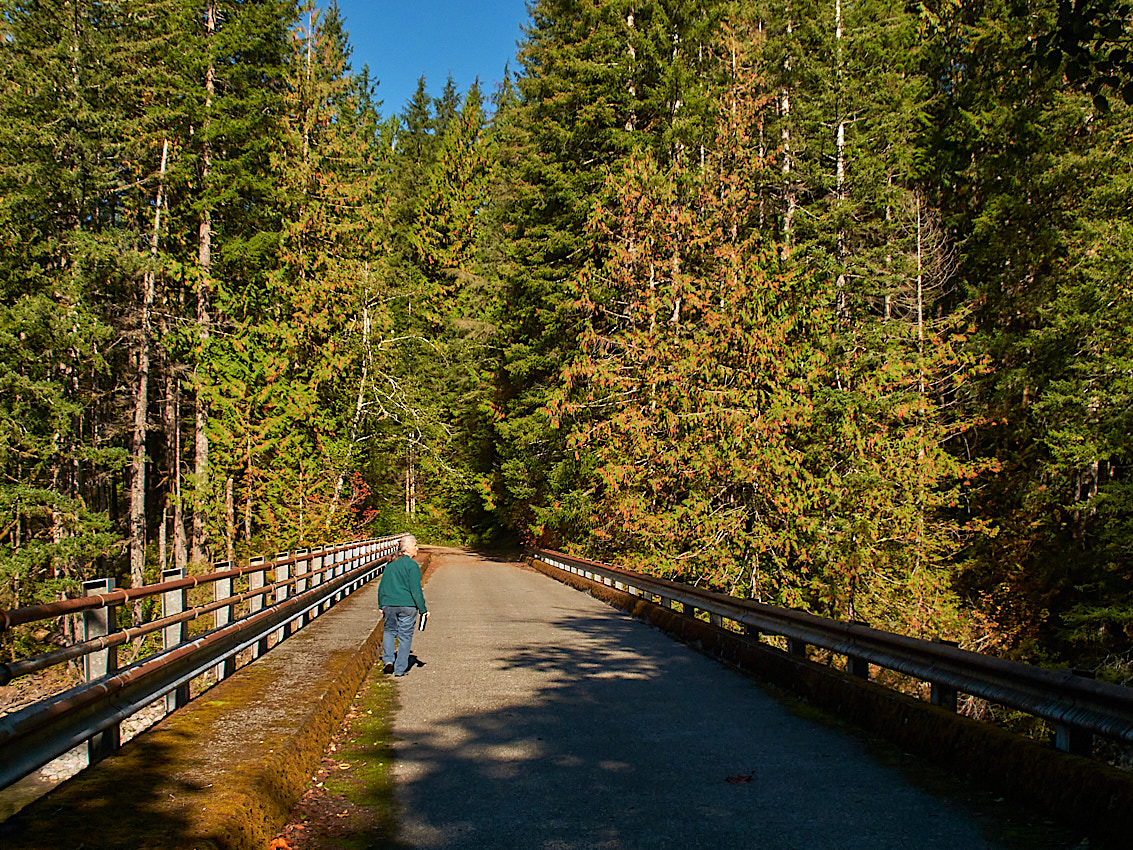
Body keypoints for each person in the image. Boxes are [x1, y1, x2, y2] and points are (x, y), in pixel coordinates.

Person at [378, 534, 427, 677]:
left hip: (389, 603)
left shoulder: (391, 564)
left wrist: (381, 604)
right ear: (408, 548)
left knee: (389, 631)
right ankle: (400, 669)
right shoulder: (412, 566)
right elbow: (415, 590)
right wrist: (423, 609)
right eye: (415, 546)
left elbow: (382, 586)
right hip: (407, 605)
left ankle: (388, 660)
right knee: (405, 636)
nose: (417, 549)